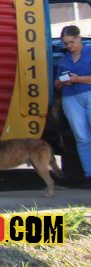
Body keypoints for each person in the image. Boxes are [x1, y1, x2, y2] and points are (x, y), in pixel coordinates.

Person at [55, 25, 91, 187]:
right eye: (66, 43)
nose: (69, 46)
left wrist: (78, 79)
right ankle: (89, 174)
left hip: (88, 93)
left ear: (79, 38)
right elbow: (56, 84)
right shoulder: (65, 59)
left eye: (71, 42)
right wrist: (63, 82)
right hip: (70, 97)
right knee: (82, 137)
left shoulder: (89, 52)